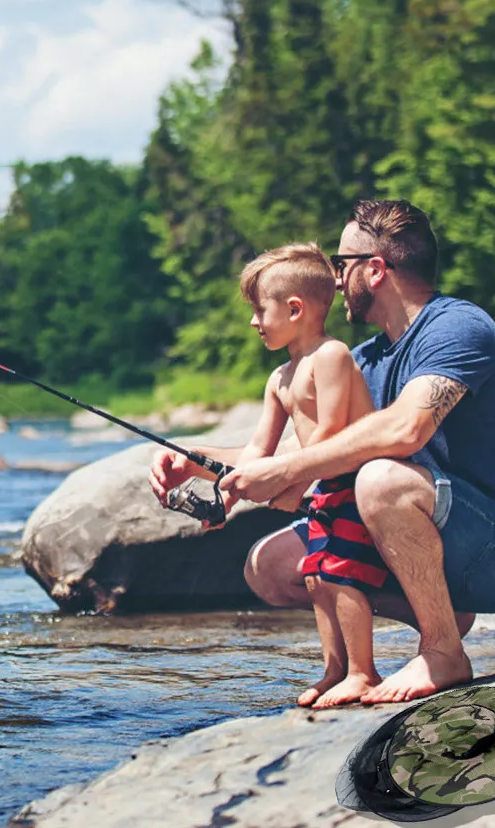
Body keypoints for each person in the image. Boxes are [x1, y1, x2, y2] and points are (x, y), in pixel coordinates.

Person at [149, 199, 495, 706]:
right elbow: (302, 450)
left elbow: (407, 428)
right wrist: (196, 462)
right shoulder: (364, 359)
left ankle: (443, 651)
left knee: (381, 481)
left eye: (341, 264)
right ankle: (436, 614)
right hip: (440, 539)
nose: (334, 278)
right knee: (270, 565)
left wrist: (288, 474)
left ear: (375, 269)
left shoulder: (457, 327)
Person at [213, 243, 388, 707]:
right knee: (315, 578)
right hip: (322, 488)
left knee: (342, 574)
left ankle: (363, 673)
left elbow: (331, 432)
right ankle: (335, 671)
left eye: (259, 310)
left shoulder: (331, 356)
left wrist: (293, 485)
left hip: (353, 484)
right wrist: (227, 494)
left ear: (294, 309)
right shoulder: (279, 378)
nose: (253, 322)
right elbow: (258, 450)